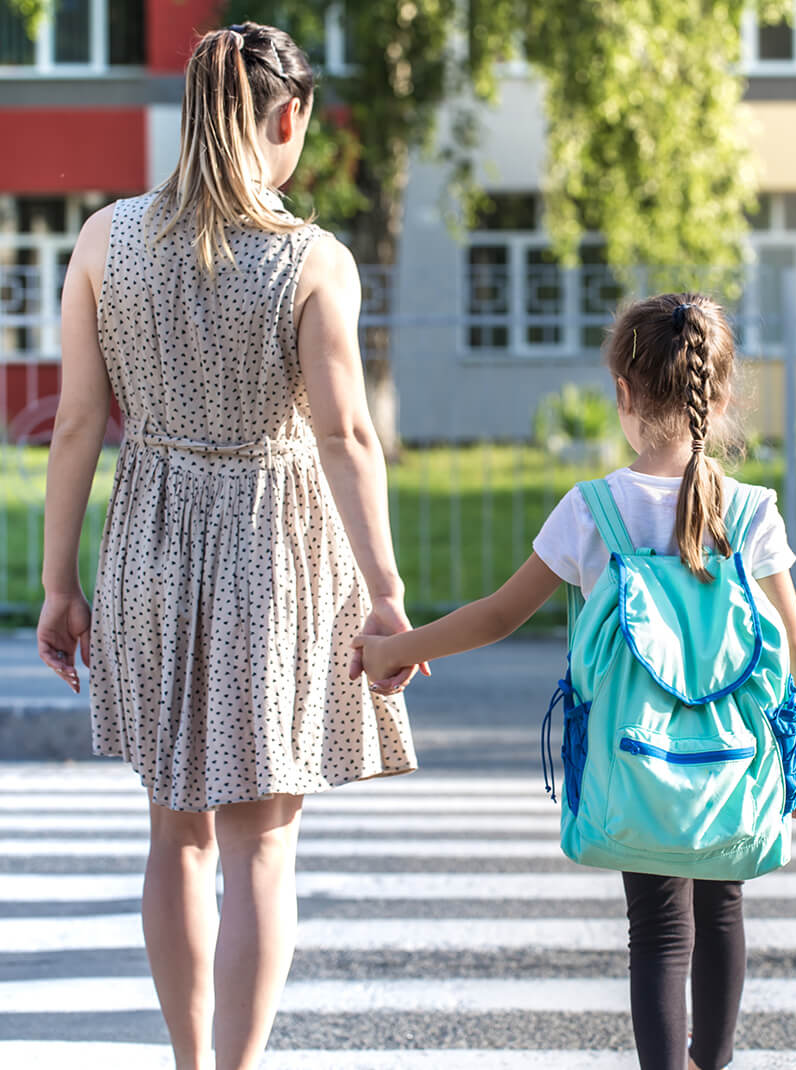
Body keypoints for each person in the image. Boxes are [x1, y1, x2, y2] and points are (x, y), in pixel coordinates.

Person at [36, 21, 425, 1070]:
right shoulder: (311, 259)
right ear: (288, 117)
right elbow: (346, 437)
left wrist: (58, 584)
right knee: (262, 843)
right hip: (273, 546)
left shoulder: (105, 240)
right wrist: (386, 592)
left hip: (148, 539)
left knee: (177, 830)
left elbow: (76, 425)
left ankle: (188, 1060)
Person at [353, 292, 796, 1070]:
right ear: (719, 398)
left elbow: (498, 615)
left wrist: (393, 650)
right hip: (736, 758)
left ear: (621, 393)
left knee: (658, 929)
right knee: (722, 910)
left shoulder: (593, 511)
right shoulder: (749, 512)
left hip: (633, 761)